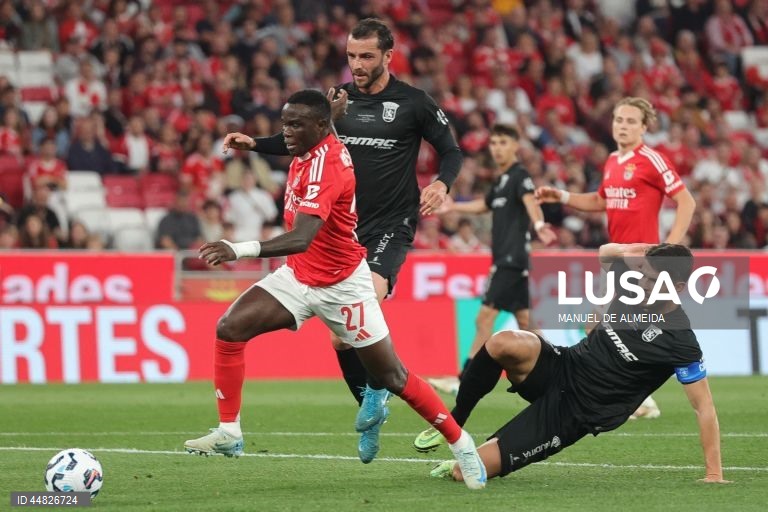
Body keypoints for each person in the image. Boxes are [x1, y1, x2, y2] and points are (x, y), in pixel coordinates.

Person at [184, 90, 487, 490]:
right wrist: (266, 140)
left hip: (344, 285)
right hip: (297, 277)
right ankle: (229, 432)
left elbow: (302, 237)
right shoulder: (317, 139)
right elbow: (309, 132)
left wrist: (236, 249)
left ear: (320, 127)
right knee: (230, 327)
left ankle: (462, 445)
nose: (286, 132)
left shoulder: (327, 167)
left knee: (393, 375)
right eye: (285, 122)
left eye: (295, 125)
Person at [221, 18, 463, 463]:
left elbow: (451, 149)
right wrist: (255, 144)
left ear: (388, 56)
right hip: (338, 229)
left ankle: (379, 392)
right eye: (352, 56)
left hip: (389, 224)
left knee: (372, 291)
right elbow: (299, 141)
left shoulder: (413, 103)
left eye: (367, 56)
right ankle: (373, 401)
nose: (358, 65)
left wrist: (443, 184)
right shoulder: (336, 101)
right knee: (339, 340)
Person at [429, 243, 729, 485]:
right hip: (565, 365)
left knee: (465, 471)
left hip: (578, 409)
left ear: (676, 287)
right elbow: (606, 252)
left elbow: (704, 407)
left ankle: (476, 457)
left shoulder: (680, 339)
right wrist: (647, 248)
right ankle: (456, 420)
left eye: (654, 279)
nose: (644, 283)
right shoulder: (632, 286)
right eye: (644, 274)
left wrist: (714, 474)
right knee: (502, 341)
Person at [535, 96, 697, 419]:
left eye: (630, 121)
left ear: (644, 126)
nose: (622, 126)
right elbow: (601, 201)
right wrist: (562, 196)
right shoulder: (612, 160)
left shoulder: (652, 160)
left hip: (643, 262)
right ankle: (637, 398)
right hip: (616, 257)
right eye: (618, 120)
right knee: (599, 327)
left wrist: (668, 251)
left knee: (612, 327)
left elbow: (687, 202)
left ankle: (637, 397)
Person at [415, 124, 557, 451]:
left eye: (503, 142)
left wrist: (539, 226)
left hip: (509, 260)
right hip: (512, 262)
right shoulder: (502, 180)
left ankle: (464, 377)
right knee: (526, 324)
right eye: (493, 142)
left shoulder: (520, 176)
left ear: (516, 145)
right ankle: (562, 370)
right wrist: (454, 207)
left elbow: (530, 201)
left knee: (484, 319)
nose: (496, 148)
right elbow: (485, 204)